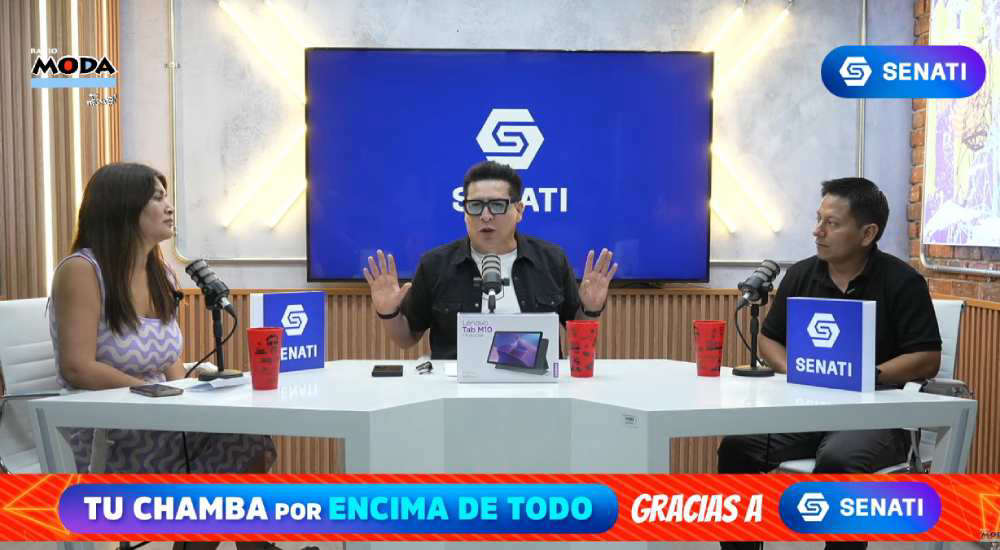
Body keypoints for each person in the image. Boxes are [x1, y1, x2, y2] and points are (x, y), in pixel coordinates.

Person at [48, 163, 277, 550]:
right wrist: (151, 393)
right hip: (107, 431)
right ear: (124, 207)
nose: (169, 207)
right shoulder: (82, 271)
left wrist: (190, 393)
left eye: (166, 197)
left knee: (246, 436)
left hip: (161, 417)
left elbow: (171, 364)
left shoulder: (162, 274)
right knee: (231, 454)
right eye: (157, 198)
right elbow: (77, 367)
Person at [717, 177, 943, 550]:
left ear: (867, 233)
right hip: (807, 411)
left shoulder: (903, 281)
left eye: (832, 223)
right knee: (738, 447)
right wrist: (794, 369)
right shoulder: (801, 274)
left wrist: (866, 376)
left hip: (877, 417)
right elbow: (769, 338)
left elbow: (928, 358)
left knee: (839, 460)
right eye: (818, 219)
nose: (817, 231)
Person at [363, 160, 617, 358]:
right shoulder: (435, 264)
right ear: (465, 212)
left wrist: (590, 309)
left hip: (538, 389)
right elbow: (406, 339)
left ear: (519, 210)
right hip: (456, 393)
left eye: (497, 205)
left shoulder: (551, 259)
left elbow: (579, 335)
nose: (485, 216)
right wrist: (388, 313)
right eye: (475, 206)